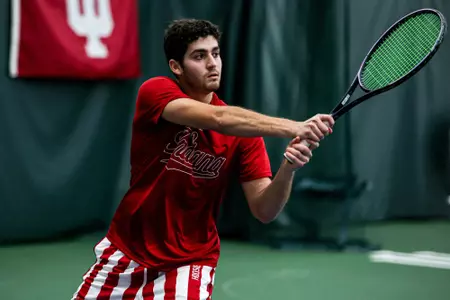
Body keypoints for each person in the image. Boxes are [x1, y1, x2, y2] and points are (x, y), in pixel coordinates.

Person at [71, 19, 334, 300]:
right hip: (127, 249)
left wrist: (288, 168)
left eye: (216, 53)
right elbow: (218, 119)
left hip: (189, 261)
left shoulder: (245, 133)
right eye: (200, 56)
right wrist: (294, 127)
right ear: (176, 67)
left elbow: (264, 210)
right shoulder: (155, 92)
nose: (212, 63)